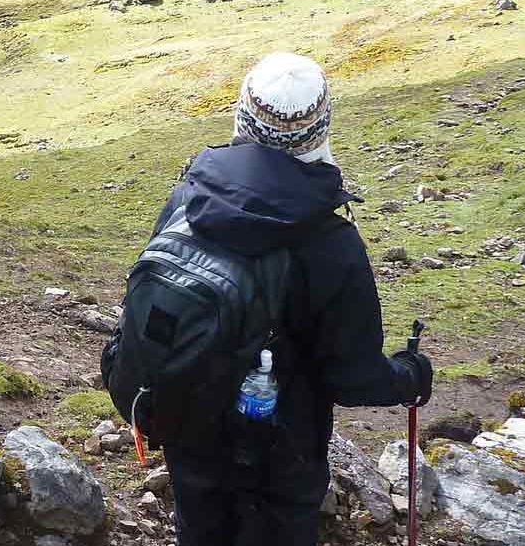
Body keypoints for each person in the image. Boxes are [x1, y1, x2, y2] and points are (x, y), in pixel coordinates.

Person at [121, 51, 432, 546]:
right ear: (321, 130)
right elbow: (352, 379)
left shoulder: (188, 198)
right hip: (281, 453)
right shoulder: (331, 242)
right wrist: (410, 377)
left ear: (242, 116)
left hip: (188, 425)